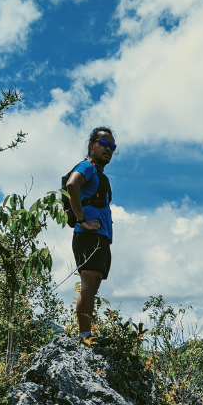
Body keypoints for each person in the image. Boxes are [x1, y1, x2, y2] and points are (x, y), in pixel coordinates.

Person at [66, 128, 116, 342]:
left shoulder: (99, 174)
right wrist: (81, 221)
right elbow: (72, 184)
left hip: (101, 237)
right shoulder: (87, 166)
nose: (108, 149)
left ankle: (87, 333)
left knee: (93, 284)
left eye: (112, 146)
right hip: (88, 236)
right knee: (89, 283)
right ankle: (84, 336)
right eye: (103, 143)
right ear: (91, 145)